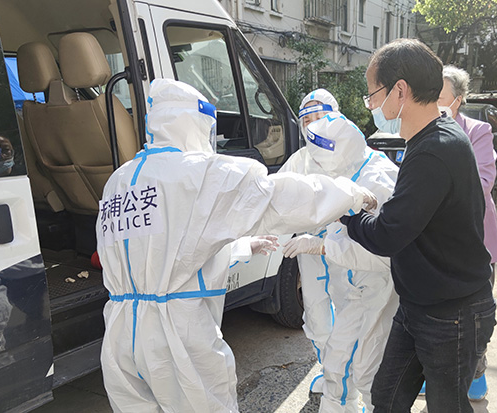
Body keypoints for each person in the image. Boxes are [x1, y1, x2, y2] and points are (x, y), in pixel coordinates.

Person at [96, 78, 377, 413]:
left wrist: (243, 248)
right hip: (178, 332)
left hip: (119, 331)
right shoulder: (198, 172)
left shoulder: (119, 180)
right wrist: (351, 194)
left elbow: (163, 251)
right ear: (195, 123)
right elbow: (278, 198)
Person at [340, 39, 496, 413]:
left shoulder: (433, 150)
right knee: (387, 398)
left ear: (399, 91)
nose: (371, 106)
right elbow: (413, 214)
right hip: (419, 304)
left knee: (446, 407)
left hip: (451, 314)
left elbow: (387, 235)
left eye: (372, 95)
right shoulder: (435, 134)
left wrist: (346, 211)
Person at [281, 113, 399, 412]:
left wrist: (322, 246)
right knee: (338, 362)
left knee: (370, 372)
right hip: (357, 286)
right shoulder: (349, 166)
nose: (317, 167)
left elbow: (385, 254)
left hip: (381, 289)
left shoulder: (379, 180)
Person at [436, 64, 497, 400]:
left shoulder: (477, 131)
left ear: (458, 99)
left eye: (441, 95)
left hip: (475, 241)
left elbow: (483, 182)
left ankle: (476, 373)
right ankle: (436, 372)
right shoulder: (421, 130)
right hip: (436, 244)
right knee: (438, 315)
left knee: (475, 316)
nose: (434, 101)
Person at [278, 88, 340, 394]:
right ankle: (330, 373)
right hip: (309, 250)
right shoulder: (298, 161)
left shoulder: (350, 155)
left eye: (319, 117)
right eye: (307, 120)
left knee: (352, 314)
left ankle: (353, 381)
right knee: (316, 314)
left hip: (346, 250)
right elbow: (275, 196)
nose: (313, 125)